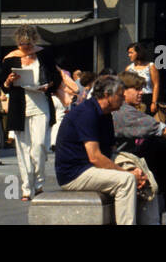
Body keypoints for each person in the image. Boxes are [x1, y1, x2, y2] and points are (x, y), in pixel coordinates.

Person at [54, 75, 146, 225]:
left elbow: (111, 150)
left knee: (143, 172)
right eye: (120, 95)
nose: (123, 97)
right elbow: (95, 157)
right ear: (107, 95)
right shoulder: (86, 113)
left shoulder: (106, 115)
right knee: (127, 180)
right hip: (74, 173)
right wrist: (127, 173)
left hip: (91, 167)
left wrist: (135, 169)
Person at [113, 71, 166, 226]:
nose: (141, 93)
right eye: (137, 89)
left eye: (142, 89)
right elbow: (163, 129)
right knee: (160, 145)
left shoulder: (123, 109)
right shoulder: (125, 112)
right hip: (123, 160)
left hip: (128, 157)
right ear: (123, 91)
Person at [0, 25, 61, 201]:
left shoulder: (44, 54)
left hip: (41, 104)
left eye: (27, 44)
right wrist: (9, 80)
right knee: (23, 148)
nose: (24, 48)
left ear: (34, 41)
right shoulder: (10, 59)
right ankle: (27, 187)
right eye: (21, 44)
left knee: (39, 145)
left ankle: (39, 182)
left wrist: (49, 85)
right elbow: (3, 85)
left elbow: (57, 77)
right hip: (19, 107)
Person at [124, 43, 160, 114]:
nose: (129, 55)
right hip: (133, 99)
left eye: (131, 53)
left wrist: (154, 102)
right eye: (128, 53)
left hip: (147, 97)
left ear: (138, 53)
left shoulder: (150, 66)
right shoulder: (129, 69)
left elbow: (156, 85)